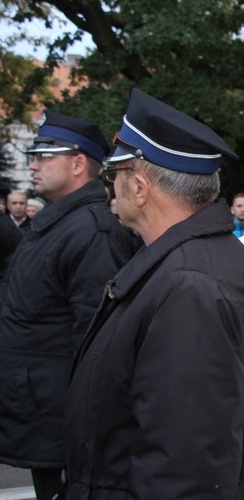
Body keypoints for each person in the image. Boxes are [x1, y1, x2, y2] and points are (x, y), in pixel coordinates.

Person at [63, 88, 244, 498]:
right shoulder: (191, 267)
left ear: (141, 188)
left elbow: (184, 471)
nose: (111, 190)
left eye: (115, 176)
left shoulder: (191, 286)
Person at [0, 111, 135, 499]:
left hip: (59, 419)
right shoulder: (57, 225)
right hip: (39, 410)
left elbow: (95, 342)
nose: (33, 164)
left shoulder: (91, 232)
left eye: (45, 155)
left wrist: (85, 430)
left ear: (78, 164)